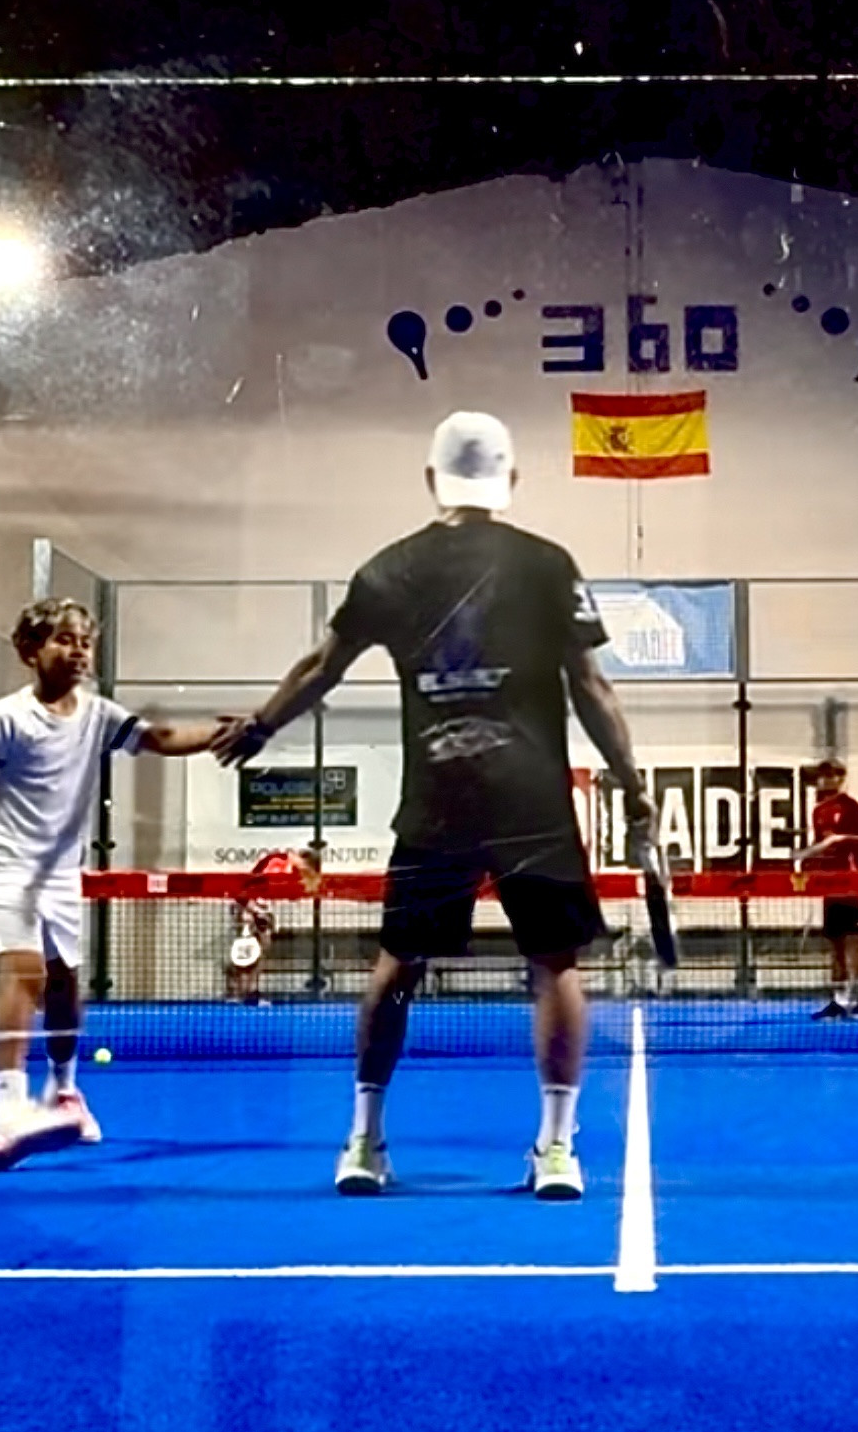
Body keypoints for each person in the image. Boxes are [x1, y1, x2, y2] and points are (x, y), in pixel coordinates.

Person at [210, 411, 658, 1200]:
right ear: (509, 480)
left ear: (431, 479)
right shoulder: (549, 564)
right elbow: (591, 687)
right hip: (531, 802)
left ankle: (364, 1140)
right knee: (555, 964)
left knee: (398, 964)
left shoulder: (387, 570)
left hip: (438, 800)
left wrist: (261, 724)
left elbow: (321, 666)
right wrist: (630, 782)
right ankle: (556, 1148)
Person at [0, 597, 222, 1171]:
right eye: (64, 639)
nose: (79, 650)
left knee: (63, 986)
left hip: (59, 871)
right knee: (25, 970)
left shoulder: (99, 715)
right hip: (4, 862)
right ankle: (7, 1112)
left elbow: (160, 737)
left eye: (85, 641)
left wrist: (223, 733)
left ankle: (63, 1091)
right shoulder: (5, 719)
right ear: (29, 651)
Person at [799, 754, 858, 1019]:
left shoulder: (855, 805)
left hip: (855, 882)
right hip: (830, 884)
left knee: (856, 942)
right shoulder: (818, 811)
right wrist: (809, 860)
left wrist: (841, 839)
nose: (825, 779)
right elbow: (819, 845)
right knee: (835, 944)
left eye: (831, 774)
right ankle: (839, 999)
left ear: (841, 777)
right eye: (822, 775)